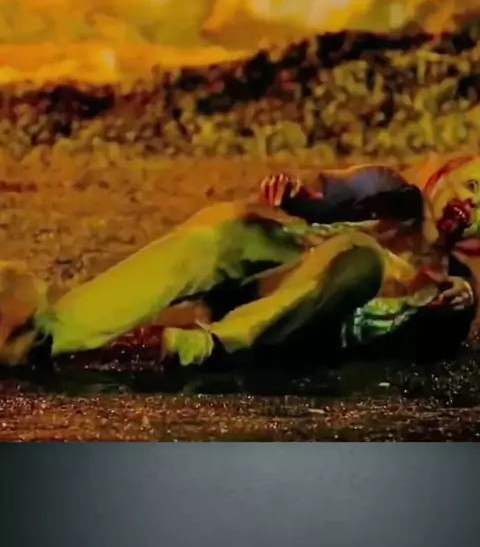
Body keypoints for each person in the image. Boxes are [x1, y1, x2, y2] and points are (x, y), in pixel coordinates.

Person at [0, 155, 478, 370]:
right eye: (472, 186)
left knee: (360, 257)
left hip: (298, 331)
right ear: (445, 173)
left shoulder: (454, 286)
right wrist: (297, 197)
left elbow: (424, 343)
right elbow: (328, 196)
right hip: (267, 281)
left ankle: (199, 348)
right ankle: (44, 334)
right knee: (228, 225)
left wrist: (441, 309)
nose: (472, 204)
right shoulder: (386, 191)